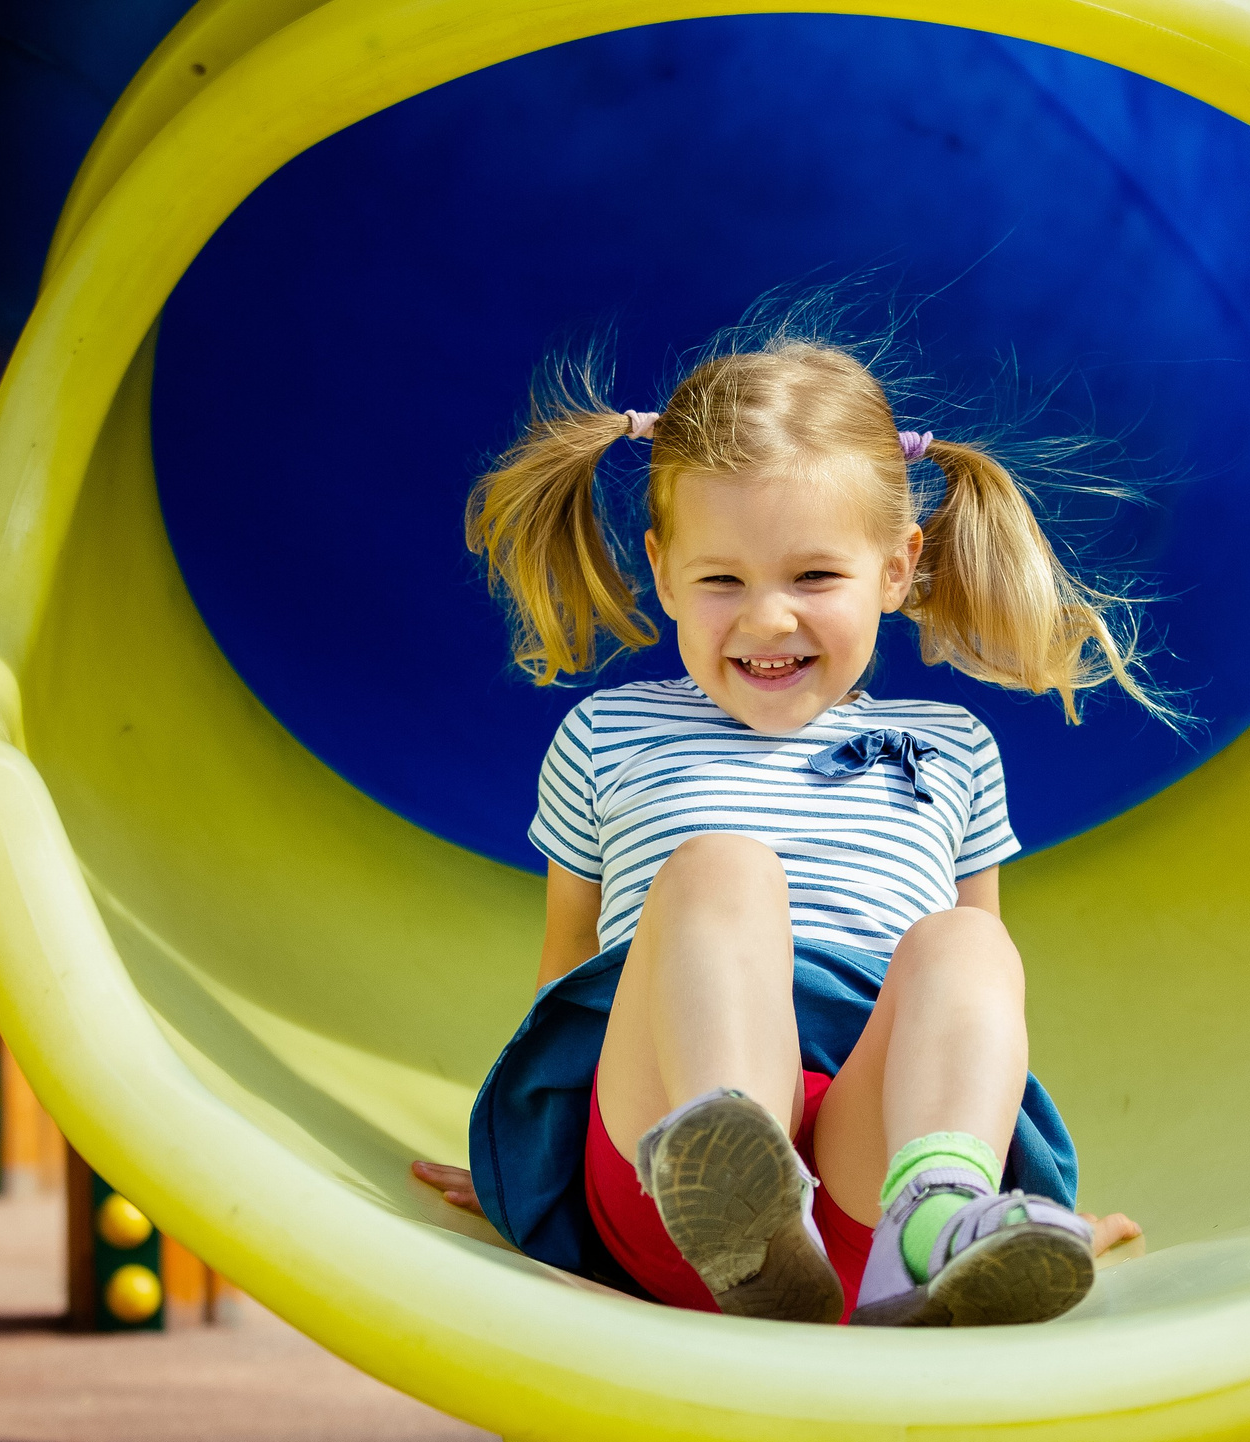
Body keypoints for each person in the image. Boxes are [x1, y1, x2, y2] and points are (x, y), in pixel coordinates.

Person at [413, 332, 1144, 1326]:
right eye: (721, 582)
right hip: (663, 1169)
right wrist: (516, 1166)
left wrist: (1035, 1196)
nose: (765, 621)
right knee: (721, 871)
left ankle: (946, 1217)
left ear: (895, 569)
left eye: (812, 578)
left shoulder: (952, 749)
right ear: (663, 573)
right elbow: (567, 977)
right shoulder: (607, 734)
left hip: (860, 1186)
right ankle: (738, 1177)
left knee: (970, 941)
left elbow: (974, 1014)